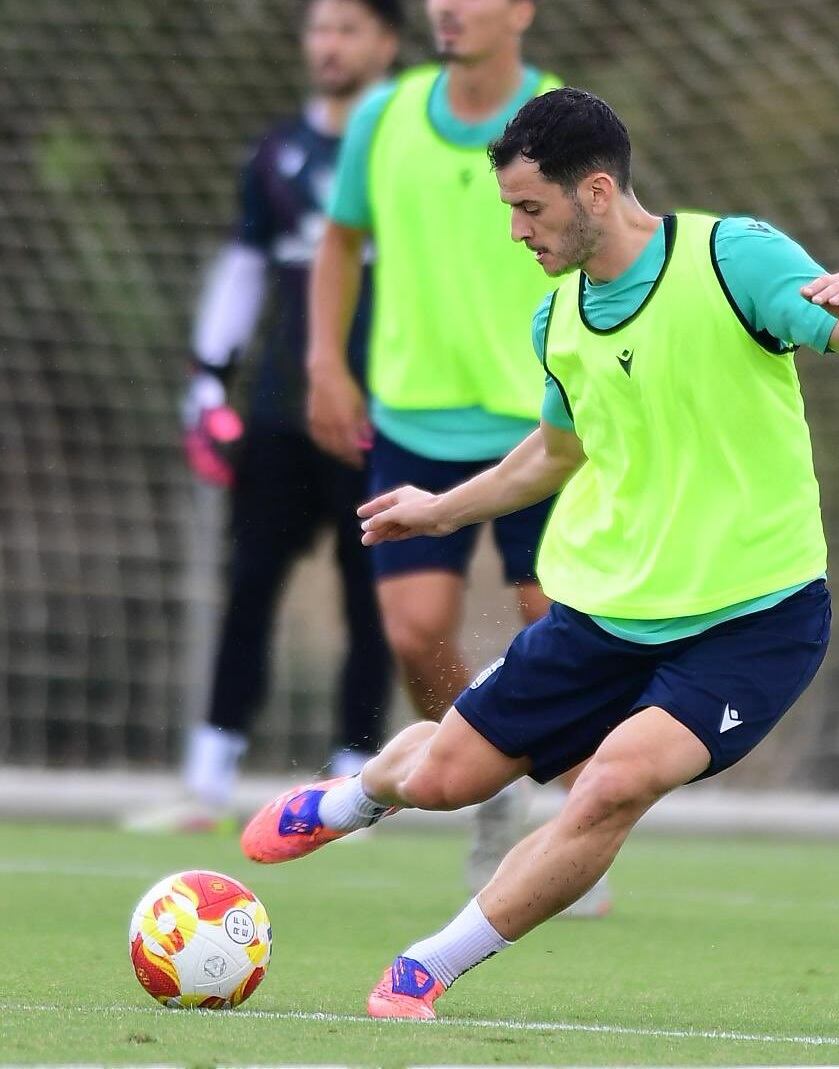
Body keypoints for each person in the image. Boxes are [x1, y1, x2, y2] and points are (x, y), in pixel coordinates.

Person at [242, 87, 839, 1019]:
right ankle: (354, 798)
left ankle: (426, 967)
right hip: (607, 612)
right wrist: (444, 509)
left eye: (531, 208)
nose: (518, 230)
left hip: (755, 619)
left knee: (611, 783)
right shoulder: (558, 320)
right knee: (444, 778)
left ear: (596, 192)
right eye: (510, 210)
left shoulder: (735, 259)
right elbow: (558, 450)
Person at [304, 0, 586, 901]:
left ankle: (576, 829)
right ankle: (491, 785)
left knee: (560, 632)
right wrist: (324, 359)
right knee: (416, 632)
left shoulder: (566, 120)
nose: (447, 8)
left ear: (522, 11)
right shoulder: (384, 117)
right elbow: (340, 242)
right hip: (413, 421)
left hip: (544, 420)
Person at [130, 0, 404, 832]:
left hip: (388, 416)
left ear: (388, 41)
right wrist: (208, 384)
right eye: (319, 28)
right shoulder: (276, 152)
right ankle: (206, 780)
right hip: (282, 413)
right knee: (249, 588)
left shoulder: (416, 148)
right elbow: (245, 266)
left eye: (348, 29)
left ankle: (355, 790)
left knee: (375, 604)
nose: (329, 44)